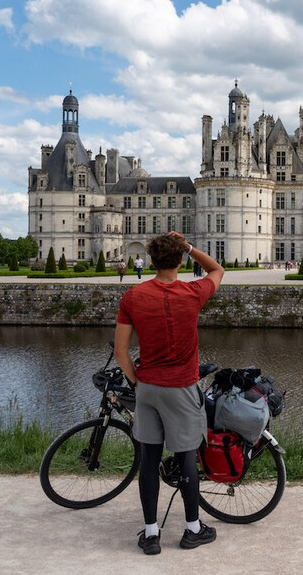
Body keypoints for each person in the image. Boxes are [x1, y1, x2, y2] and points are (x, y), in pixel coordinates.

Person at [114, 232, 224, 555]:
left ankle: (151, 535)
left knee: (149, 460)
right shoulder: (193, 293)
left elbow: (121, 352)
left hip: (148, 389)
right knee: (186, 457)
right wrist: (189, 247)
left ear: (151, 261)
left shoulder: (133, 297)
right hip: (181, 387)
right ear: (180, 261)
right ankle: (193, 529)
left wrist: (137, 382)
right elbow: (217, 270)